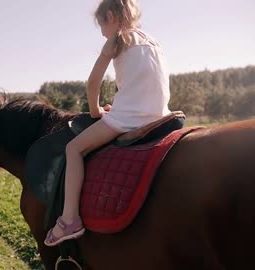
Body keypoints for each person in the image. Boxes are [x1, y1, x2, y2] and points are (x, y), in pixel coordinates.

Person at [44, 0, 171, 246]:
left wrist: (96, 111)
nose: (102, 32)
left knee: (74, 149)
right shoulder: (152, 40)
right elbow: (143, 84)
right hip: (161, 115)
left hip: (130, 119)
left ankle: (70, 218)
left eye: (101, 25)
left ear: (111, 17)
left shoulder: (115, 41)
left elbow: (92, 86)